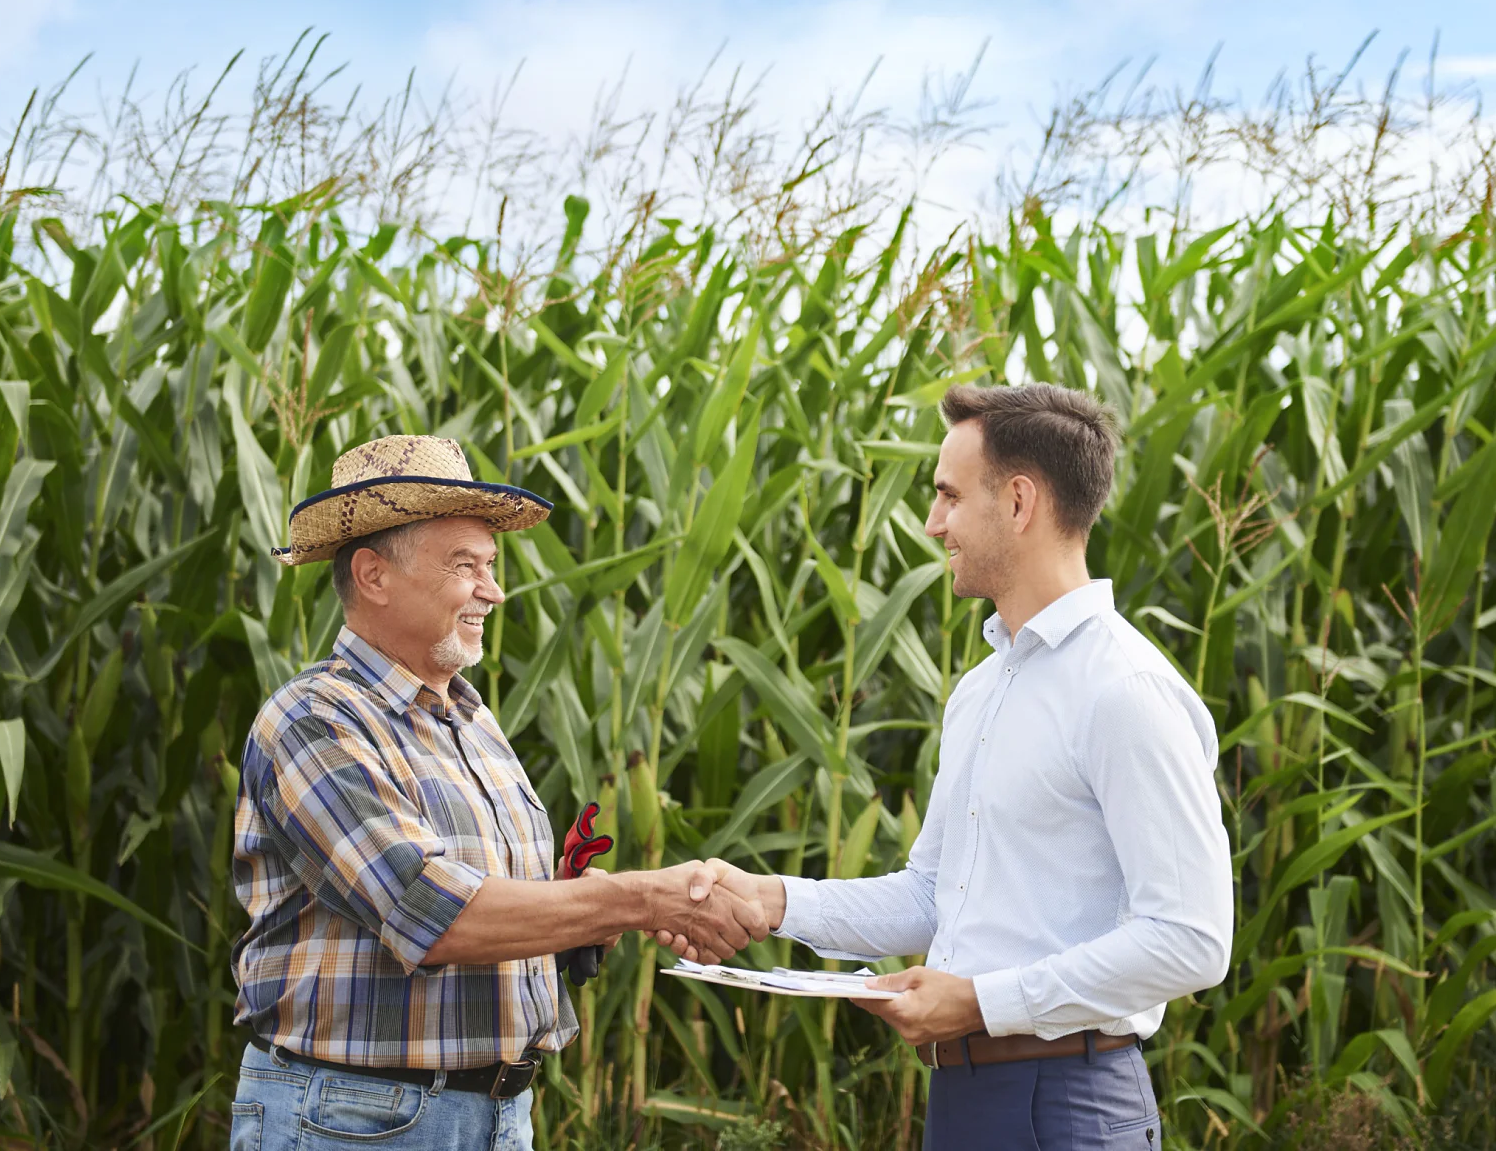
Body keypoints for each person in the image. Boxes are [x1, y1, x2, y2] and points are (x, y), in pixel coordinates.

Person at [700, 384, 1234, 1150]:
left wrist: (983, 1001)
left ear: (1019, 502)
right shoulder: (983, 689)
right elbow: (932, 896)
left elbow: (1191, 939)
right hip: (962, 1097)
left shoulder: (1125, 691)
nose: (932, 522)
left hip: (1068, 1102)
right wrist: (773, 900)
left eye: (950, 496)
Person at [229, 435, 767, 1151]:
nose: (494, 590)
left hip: (496, 1116)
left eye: (491, 566)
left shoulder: (470, 716)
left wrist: (586, 911)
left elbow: (494, 898)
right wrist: (643, 899)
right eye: (465, 567)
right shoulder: (313, 722)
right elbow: (433, 913)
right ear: (373, 575)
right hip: (357, 1119)